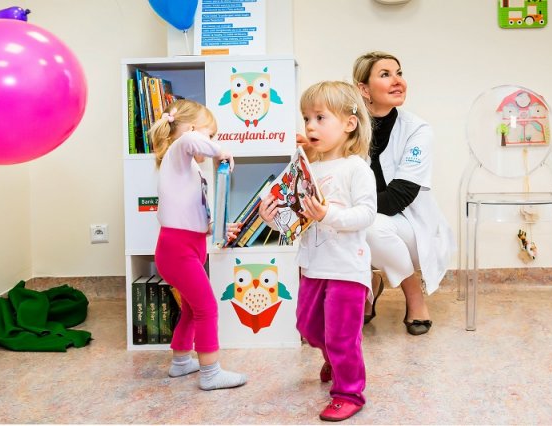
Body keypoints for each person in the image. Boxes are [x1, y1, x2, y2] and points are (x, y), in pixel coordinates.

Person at [259, 81, 376, 422]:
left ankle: (349, 392)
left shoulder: (356, 168)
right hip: (312, 266)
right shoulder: (307, 169)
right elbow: (295, 220)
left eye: (320, 118)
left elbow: (367, 214)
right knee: (308, 327)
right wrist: (272, 219)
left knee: (342, 336)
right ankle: (334, 359)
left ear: (349, 124)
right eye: (306, 118)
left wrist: (328, 215)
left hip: (346, 268)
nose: (310, 126)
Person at [352, 51, 456, 335]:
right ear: (364, 89)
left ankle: (413, 294)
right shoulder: (349, 127)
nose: (398, 81)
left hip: (411, 229)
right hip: (366, 223)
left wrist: (349, 211)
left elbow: (397, 199)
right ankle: (369, 284)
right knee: (341, 225)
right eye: (385, 74)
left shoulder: (417, 130)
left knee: (369, 226)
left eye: (399, 73)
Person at [150, 99, 247, 391]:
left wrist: (216, 227)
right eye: (211, 134)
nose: (213, 141)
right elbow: (191, 140)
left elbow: (190, 214)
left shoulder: (191, 168)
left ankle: (181, 362)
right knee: (207, 308)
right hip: (177, 250)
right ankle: (210, 373)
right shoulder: (178, 151)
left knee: (193, 309)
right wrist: (220, 151)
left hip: (187, 246)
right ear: (193, 129)